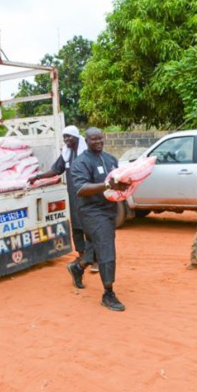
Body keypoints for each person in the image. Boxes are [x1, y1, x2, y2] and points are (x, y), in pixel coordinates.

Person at [67, 127, 130, 311]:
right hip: (92, 211)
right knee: (106, 247)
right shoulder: (80, 163)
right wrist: (105, 185)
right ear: (86, 141)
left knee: (98, 245)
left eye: (100, 138)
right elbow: (81, 188)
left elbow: (119, 180)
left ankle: (78, 267)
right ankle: (108, 293)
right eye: (93, 139)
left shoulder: (110, 159)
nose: (98, 142)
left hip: (109, 210)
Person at [27, 125, 98, 271]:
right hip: (74, 197)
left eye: (69, 137)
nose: (66, 140)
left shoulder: (87, 154)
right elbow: (55, 170)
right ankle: (81, 255)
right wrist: (38, 176)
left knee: (89, 228)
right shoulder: (66, 154)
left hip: (88, 198)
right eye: (64, 137)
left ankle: (95, 259)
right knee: (77, 226)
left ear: (77, 137)